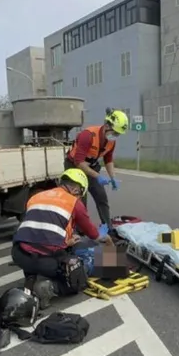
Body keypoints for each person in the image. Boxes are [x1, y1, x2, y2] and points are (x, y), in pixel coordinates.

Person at [11, 168, 112, 308]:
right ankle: (51, 287)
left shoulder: (36, 197)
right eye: (80, 194)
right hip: (44, 261)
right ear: (77, 190)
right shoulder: (74, 203)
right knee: (78, 274)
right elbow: (93, 234)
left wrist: (65, 241)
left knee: (37, 250)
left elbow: (40, 228)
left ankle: (31, 278)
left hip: (19, 254)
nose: (79, 197)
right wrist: (106, 238)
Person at [64, 109, 129, 227]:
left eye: (118, 134)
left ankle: (107, 226)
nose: (115, 136)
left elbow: (108, 159)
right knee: (80, 201)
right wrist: (98, 176)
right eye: (114, 132)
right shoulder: (88, 135)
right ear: (106, 125)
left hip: (91, 167)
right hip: (74, 167)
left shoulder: (111, 142)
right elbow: (78, 162)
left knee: (101, 197)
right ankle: (80, 230)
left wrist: (113, 177)